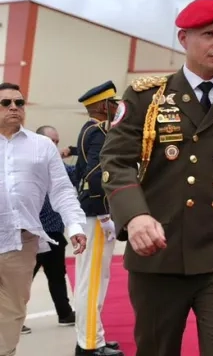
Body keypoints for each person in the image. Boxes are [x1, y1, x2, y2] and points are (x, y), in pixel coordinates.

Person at [99, 0, 213, 356]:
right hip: (159, 252)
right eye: (209, 34)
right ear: (183, 39)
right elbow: (116, 161)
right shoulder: (147, 97)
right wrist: (135, 215)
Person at [0, 82, 88, 356]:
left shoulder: (42, 147)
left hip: (20, 243)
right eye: (6, 103)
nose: (14, 107)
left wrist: (74, 225)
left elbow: (61, 190)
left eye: (19, 102)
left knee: (13, 310)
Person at [73, 82, 123, 356]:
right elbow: (96, 175)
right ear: (104, 106)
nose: (116, 106)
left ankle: (92, 336)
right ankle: (90, 344)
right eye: (113, 102)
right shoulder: (99, 132)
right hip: (95, 213)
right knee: (92, 281)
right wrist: (104, 214)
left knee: (93, 278)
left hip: (91, 212)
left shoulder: (89, 130)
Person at [24, 126, 78, 336]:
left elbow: (76, 175)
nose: (55, 145)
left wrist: (74, 151)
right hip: (32, 231)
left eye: (57, 141)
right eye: (51, 141)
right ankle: (12, 317)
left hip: (53, 231)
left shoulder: (55, 164)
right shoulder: (33, 162)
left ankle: (64, 313)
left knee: (57, 275)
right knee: (22, 278)